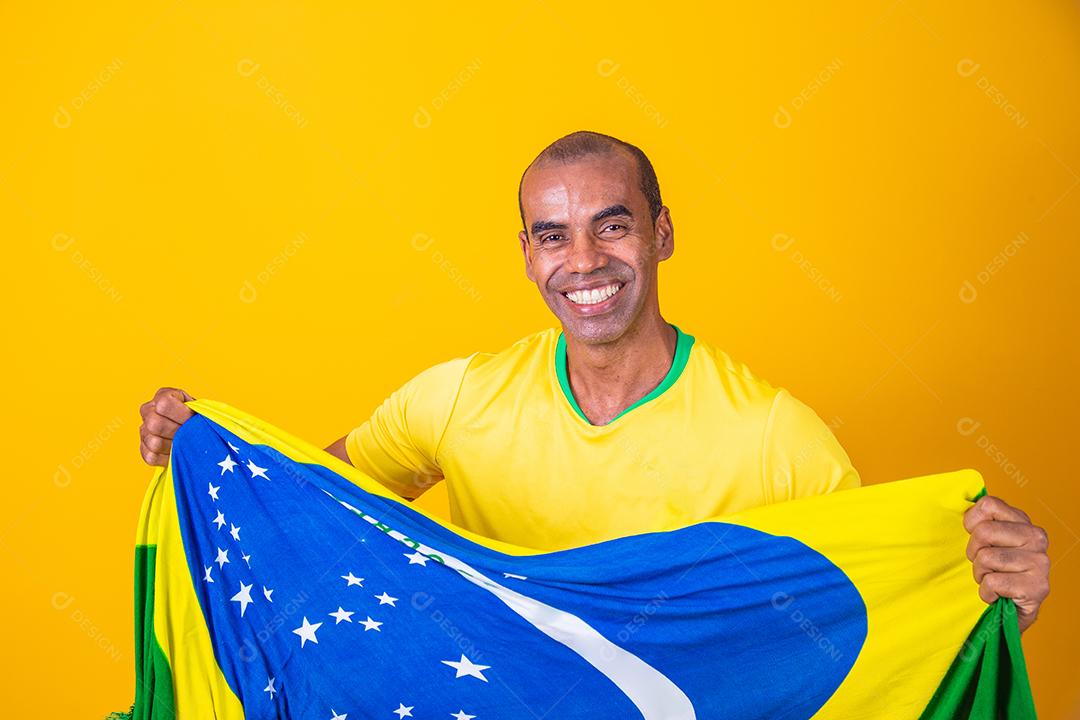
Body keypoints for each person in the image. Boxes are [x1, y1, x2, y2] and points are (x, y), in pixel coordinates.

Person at [138, 130, 1050, 632]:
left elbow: (871, 619)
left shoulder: (775, 436)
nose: (583, 262)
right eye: (553, 235)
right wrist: (207, 450)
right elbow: (306, 501)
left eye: (612, 226)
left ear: (662, 233)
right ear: (526, 254)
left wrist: (992, 588)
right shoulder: (456, 399)